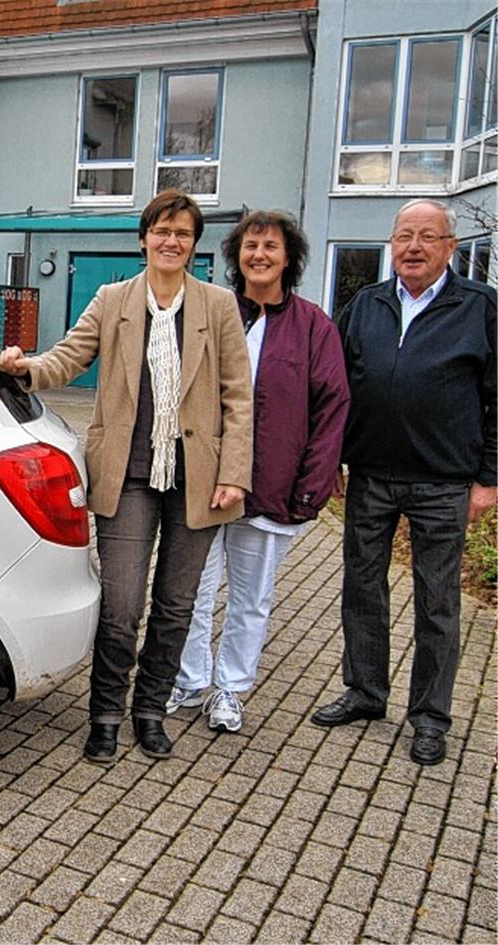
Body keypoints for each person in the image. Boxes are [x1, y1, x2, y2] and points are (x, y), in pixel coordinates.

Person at [0, 189, 252, 762]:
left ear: (193, 244)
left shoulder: (218, 307)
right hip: (128, 476)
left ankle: (151, 712)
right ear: (143, 238)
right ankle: (106, 715)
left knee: (177, 605)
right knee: (121, 605)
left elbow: (238, 395)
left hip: (198, 479)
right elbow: (67, 357)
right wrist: (25, 368)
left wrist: (235, 471)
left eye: (183, 233)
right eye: (162, 230)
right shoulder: (113, 300)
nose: (171, 240)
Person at [310, 198, 496, 766]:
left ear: (450, 248)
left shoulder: (481, 308)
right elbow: (336, 389)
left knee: (436, 601)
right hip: (371, 475)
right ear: (391, 245)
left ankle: (430, 716)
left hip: (444, 481)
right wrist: (332, 457)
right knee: (362, 590)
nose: (414, 247)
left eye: (428, 236)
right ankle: (366, 693)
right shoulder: (365, 304)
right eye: (405, 236)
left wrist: (488, 479)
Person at [167, 211, 350, 733]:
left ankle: (230, 688)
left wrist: (311, 489)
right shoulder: (212, 310)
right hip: (202, 482)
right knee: (193, 591)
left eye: (270, 246)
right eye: (250, 246)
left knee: (251, 598)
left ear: (288, 258)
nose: (259, 255)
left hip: (272, 486)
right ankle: (190, 677)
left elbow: (331, 407)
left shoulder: (314, 326)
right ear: (236, 256)